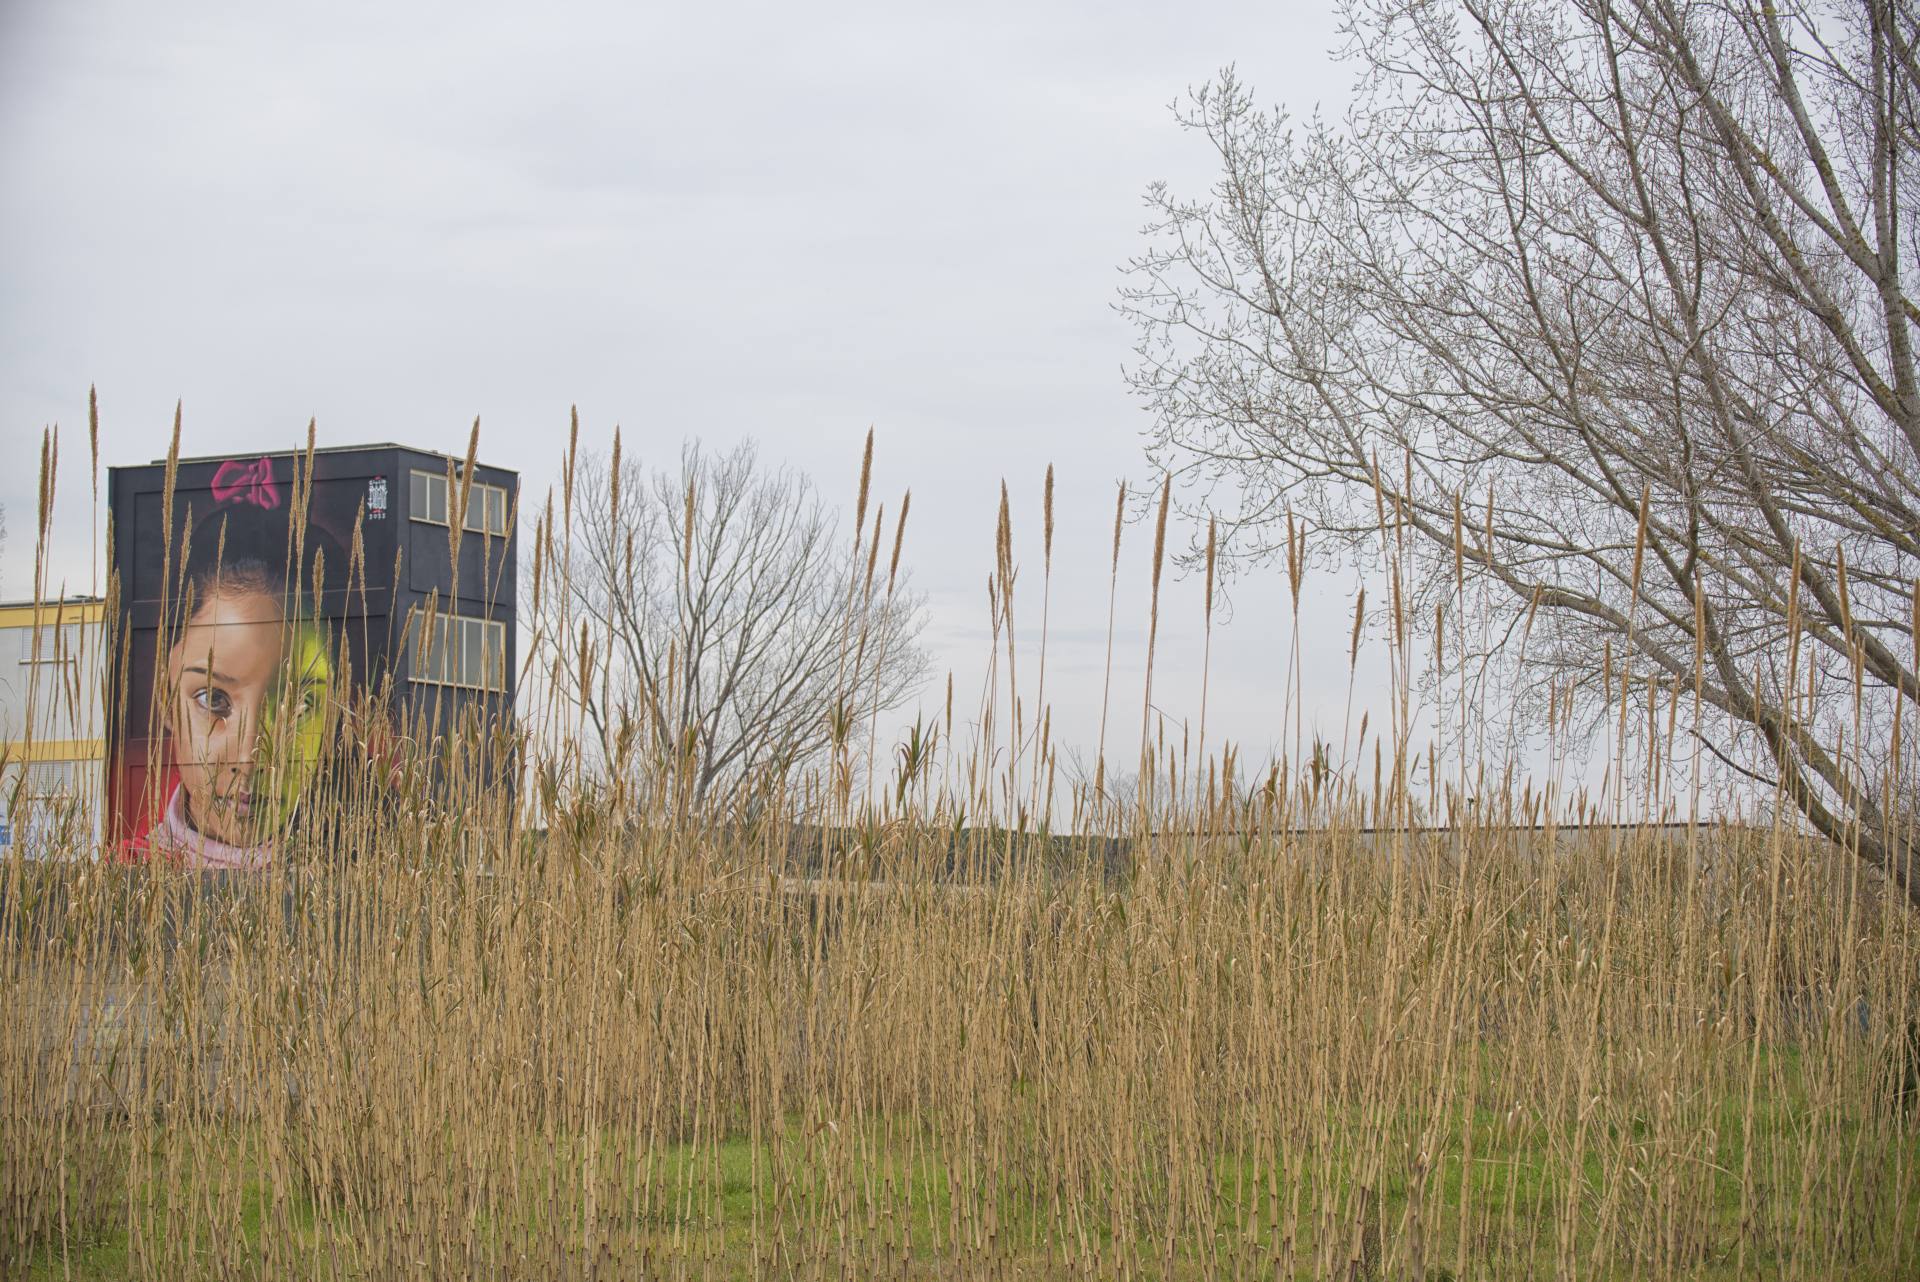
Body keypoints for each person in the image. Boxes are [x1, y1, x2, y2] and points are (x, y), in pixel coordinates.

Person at [123, 461, 348, 869]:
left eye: (299, 707)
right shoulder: (117, 886)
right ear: (164, 694)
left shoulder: (367, 897)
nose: (250, 758)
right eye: (214, 700)